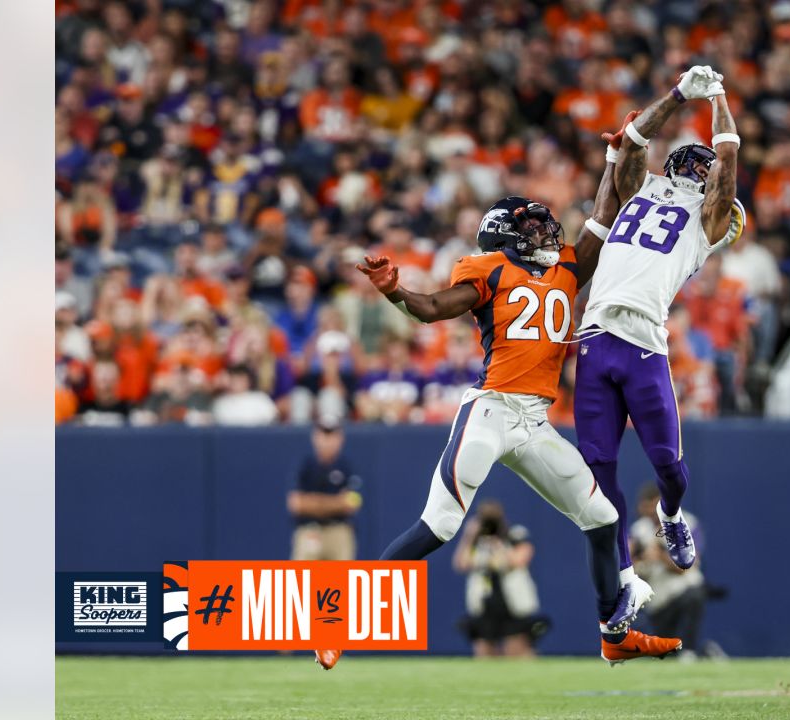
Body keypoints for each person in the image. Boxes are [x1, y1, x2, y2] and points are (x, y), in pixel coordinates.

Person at [315, 142, 680, 671]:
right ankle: (342, 621)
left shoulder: (566, 270)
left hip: (535, 421)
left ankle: (613, 634)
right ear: (506, 236)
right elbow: (434, 308)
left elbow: (604, 215)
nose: (546, 234)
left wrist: (610, 162)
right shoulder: (487, 270)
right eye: (533, 229)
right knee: (438, 526)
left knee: (602, 518)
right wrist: (396, 291)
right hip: (491, 410)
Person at [575, 66, 745, 592]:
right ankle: (624, 576)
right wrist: (676, 95)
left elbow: (729, 156)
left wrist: (715, 96)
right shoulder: (639, 187)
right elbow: (631, 140)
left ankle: (670, 515)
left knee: (668, 466)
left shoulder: (708, 217)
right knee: (599, 472)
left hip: (644, 342)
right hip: (594, 336)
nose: (701, 173)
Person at [452, 500, 545, 658]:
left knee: (517, 650)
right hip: (484, 604)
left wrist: (498, 542)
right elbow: (461, 564)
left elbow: (520, 559)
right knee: (484, 651)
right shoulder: (476, 542)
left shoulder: (514, 535)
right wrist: (469, 536)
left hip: (513, 604)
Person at [630, 485, 707, 659]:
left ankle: (690, 651)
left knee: (694, 596)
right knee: (666, 652)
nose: (650, 513)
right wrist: (639, 560)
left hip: (684, 587)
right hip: (658, 597)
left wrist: (660, 556)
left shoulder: (686, 523)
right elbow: (627, 569)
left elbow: (686, 566)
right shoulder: (639, 530)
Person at [286, 416, 361, 561]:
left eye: (332, 435)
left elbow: (352, 503)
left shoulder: (346, 466)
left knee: (342, 581)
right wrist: (335, 502)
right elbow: (295, 504)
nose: (327, 441)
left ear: (340, 438)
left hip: (338, 529)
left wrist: (313, 502)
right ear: (315, 437)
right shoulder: (305, 465)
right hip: (309, 529)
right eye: (324, 434)